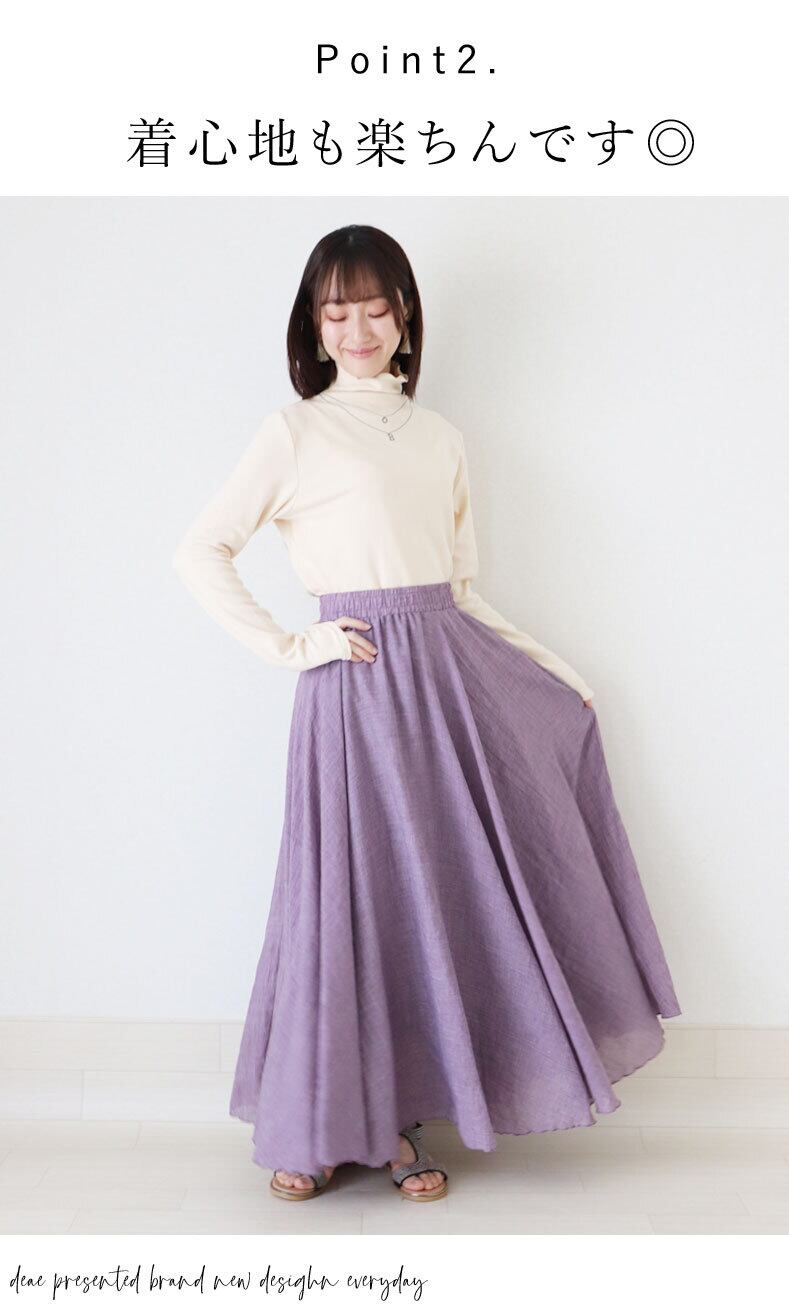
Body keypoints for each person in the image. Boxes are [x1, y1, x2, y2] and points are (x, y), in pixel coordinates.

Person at [172, 223, 681, 1204]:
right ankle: (322, 1125)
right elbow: (201, 549)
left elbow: (459, 589)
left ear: (405, 316)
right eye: (336, 310)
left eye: (375, 307)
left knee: (427, 900)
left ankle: (404, 1120)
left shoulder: (441, 438)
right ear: (313, 325)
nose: (357, 328)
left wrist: (552, 671)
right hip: (356, 690)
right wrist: (292, 646)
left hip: (445, 685)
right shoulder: (294, 432)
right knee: (346, 902)